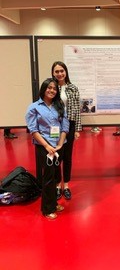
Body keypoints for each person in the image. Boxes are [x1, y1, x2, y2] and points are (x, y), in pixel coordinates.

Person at [25, 78, 69, 219]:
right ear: (43, 89)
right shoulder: (34, 107)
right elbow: (33, 130)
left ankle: (53, 203)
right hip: (44, 147)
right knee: (48, 177)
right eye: (49, 88)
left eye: (54, 88)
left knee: (56, 175)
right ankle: (47, 209)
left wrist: (60, 144)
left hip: (58, 146)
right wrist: (47, 146)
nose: (52, 90)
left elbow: (65, 126)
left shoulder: (59, 105)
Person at [52, 61, 81, 200]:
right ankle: (58, 185)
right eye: (56, 71)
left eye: (61, 71)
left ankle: (67, 185)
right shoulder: (51, 87)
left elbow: (76, 110)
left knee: (68, 156)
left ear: (66, 72)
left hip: (69, 125)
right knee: (57, 155)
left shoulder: (73, 88)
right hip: (54, 126)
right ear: (53, 73)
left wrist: (77, 129)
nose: (59, 74)